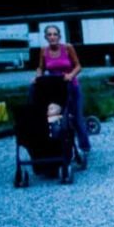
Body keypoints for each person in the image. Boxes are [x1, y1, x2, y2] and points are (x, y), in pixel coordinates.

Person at [33, 25, 91, 156]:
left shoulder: (68, 48)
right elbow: (41, 68)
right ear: (46, 37)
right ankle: (60, 148)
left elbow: (78, 66)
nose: (52, 37)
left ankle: (84, 146)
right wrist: (37, 76)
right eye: (49, 34)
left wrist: (71, 75)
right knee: (56, 117)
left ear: (59, 36)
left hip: (71, 86)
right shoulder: (43, 50)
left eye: (55, 34)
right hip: (55, 88)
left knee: (76, 117)